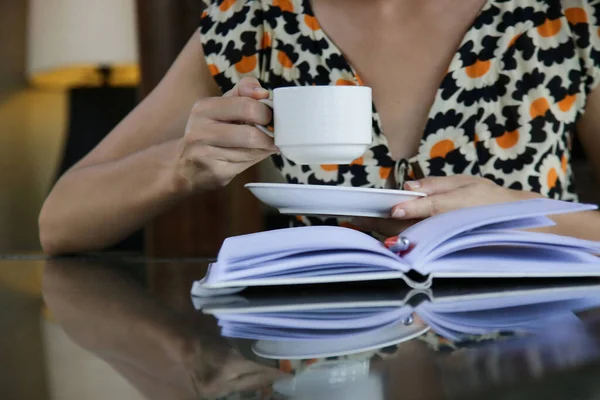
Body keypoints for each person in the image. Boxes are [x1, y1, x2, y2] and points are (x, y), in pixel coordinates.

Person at [39, 0, 600, 255]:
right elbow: (59, 223)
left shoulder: (566, 17)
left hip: (531, 359)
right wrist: (179, 167)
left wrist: (513, 214)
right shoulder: (257, 17)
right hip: (324, 365)